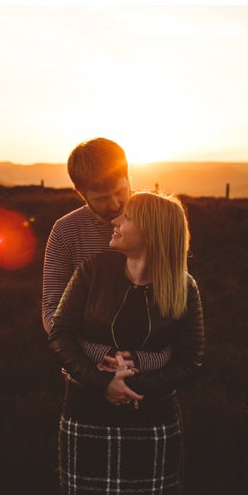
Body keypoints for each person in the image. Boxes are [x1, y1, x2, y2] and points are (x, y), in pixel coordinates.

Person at [48, 191, 206, 495]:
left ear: (150, 232)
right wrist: (104, 383)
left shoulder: (184, 287)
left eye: (128, 217)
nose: (116, 219)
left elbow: (191, 361)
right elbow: (59, 333)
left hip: (153, 419)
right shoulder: (93, 270)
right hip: (86, 412)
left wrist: (136, 384)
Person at [42, 138, 173, 381]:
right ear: (81, 194)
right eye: (102, 198)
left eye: (120, 191)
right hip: (88, 374)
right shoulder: (65, 231)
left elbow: (175, 300)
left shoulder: (157, 220)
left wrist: (144, 359)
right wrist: (102, 355)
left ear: (128, 176)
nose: (115, 204)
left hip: (155, 375)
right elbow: (52, 310)